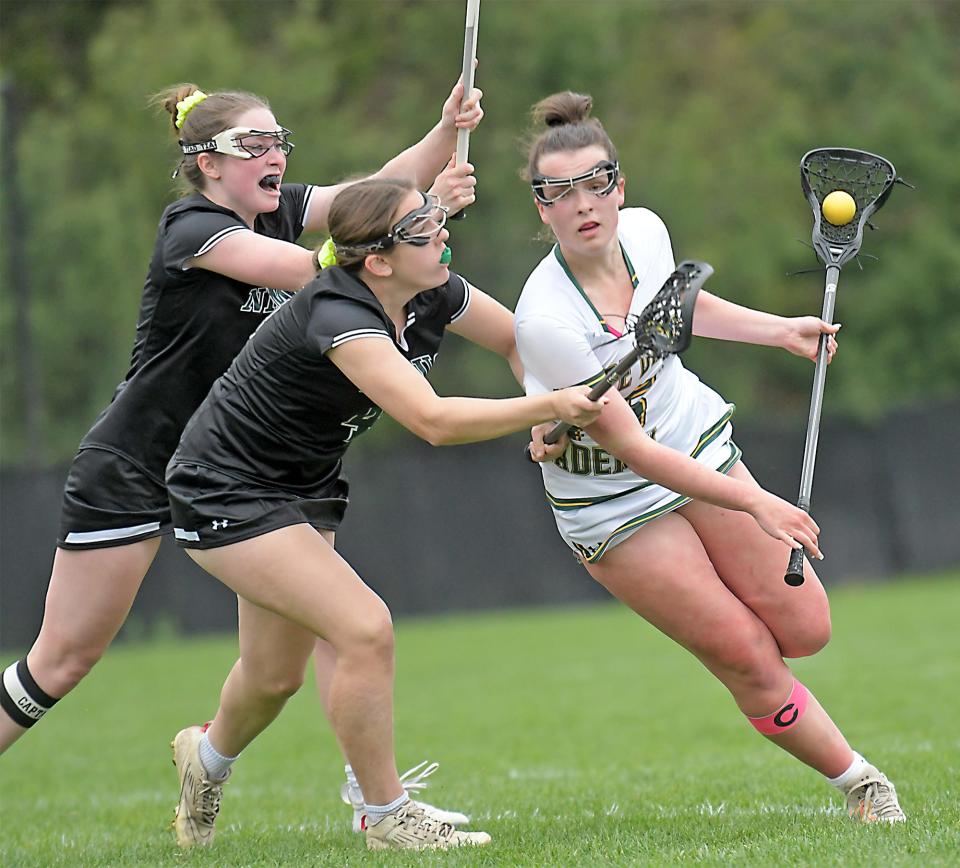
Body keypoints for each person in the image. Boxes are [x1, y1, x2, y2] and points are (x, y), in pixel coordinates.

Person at [0, 77, 484, 827]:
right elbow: (333, 265)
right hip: (140, 462)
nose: (275, 156)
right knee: (63, 659)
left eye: (279, 142)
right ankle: (381, 807)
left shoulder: (275, 210)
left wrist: (443, 131)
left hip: (250, 469)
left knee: (288, 666)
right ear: (206, 162)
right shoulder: (193, 230)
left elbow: (370, 199)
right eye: (252, 145)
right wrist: (422, 221)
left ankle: (288, 779)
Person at [164, 177, 605, 850]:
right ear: (377, 261)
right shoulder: (339, 314)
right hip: (224, 488)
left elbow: (518, 343)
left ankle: (206, 757)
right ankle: (385, 815)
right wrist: (553, 406)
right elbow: (431, 420)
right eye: (423, 230)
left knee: (273, 676)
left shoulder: (433, 291)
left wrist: (544, 397)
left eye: (435, 220)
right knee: (364, 628)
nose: (443, 234)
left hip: (303, 486)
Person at [515, 92, 905, 824]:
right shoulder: (546, 320)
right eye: (559, 192)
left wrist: (776, 330)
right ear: (542, 209)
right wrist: (756, 500)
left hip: (691, 437)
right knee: (744, 649)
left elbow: (675, 313)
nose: (582, 203)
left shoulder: (646, 231)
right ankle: (860, 782)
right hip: (614, 500)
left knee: (808, 628)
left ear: (619, 186)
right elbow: (636, 454)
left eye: (596, 182)